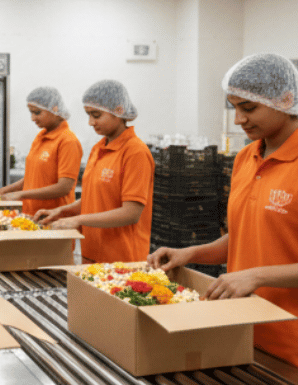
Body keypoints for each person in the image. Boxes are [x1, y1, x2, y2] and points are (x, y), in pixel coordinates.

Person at [149, 53, 298, 367]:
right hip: (239, 326)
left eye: (249, 108)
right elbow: (244, 237)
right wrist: (190, 253)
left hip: (288, 342)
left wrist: (256, 276)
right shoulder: (246, 158)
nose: (239, 120)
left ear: (285, 100)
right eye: (235, 108)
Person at [35, 80, 154, 263]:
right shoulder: (98, 148)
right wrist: (62, 211)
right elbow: (93, 198)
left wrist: (80, 220)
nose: (91, 122)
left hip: (122, 259)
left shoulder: (135, 152)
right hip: (92, 253)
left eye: (96, 115)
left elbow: (131, 213)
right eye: (88, 115)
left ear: (119, 110)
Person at [0, 87, 83, 217]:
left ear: (54, 108)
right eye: (31, 113)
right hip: (31, 215)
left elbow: (64, 187)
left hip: (54, 219)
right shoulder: (40, 137)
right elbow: (30, 178)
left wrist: (22, 194)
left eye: (37, 112)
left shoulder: (68, 141)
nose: (32, 118)